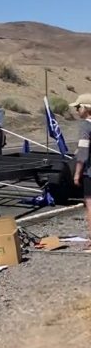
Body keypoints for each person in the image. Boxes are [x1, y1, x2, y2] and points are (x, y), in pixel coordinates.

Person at [69, 93, 91, 251]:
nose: (77, 110)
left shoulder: (85, 126)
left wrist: (77, 173)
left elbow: (83, 152)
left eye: (78, 107)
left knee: (90, 205)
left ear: (86, 108)